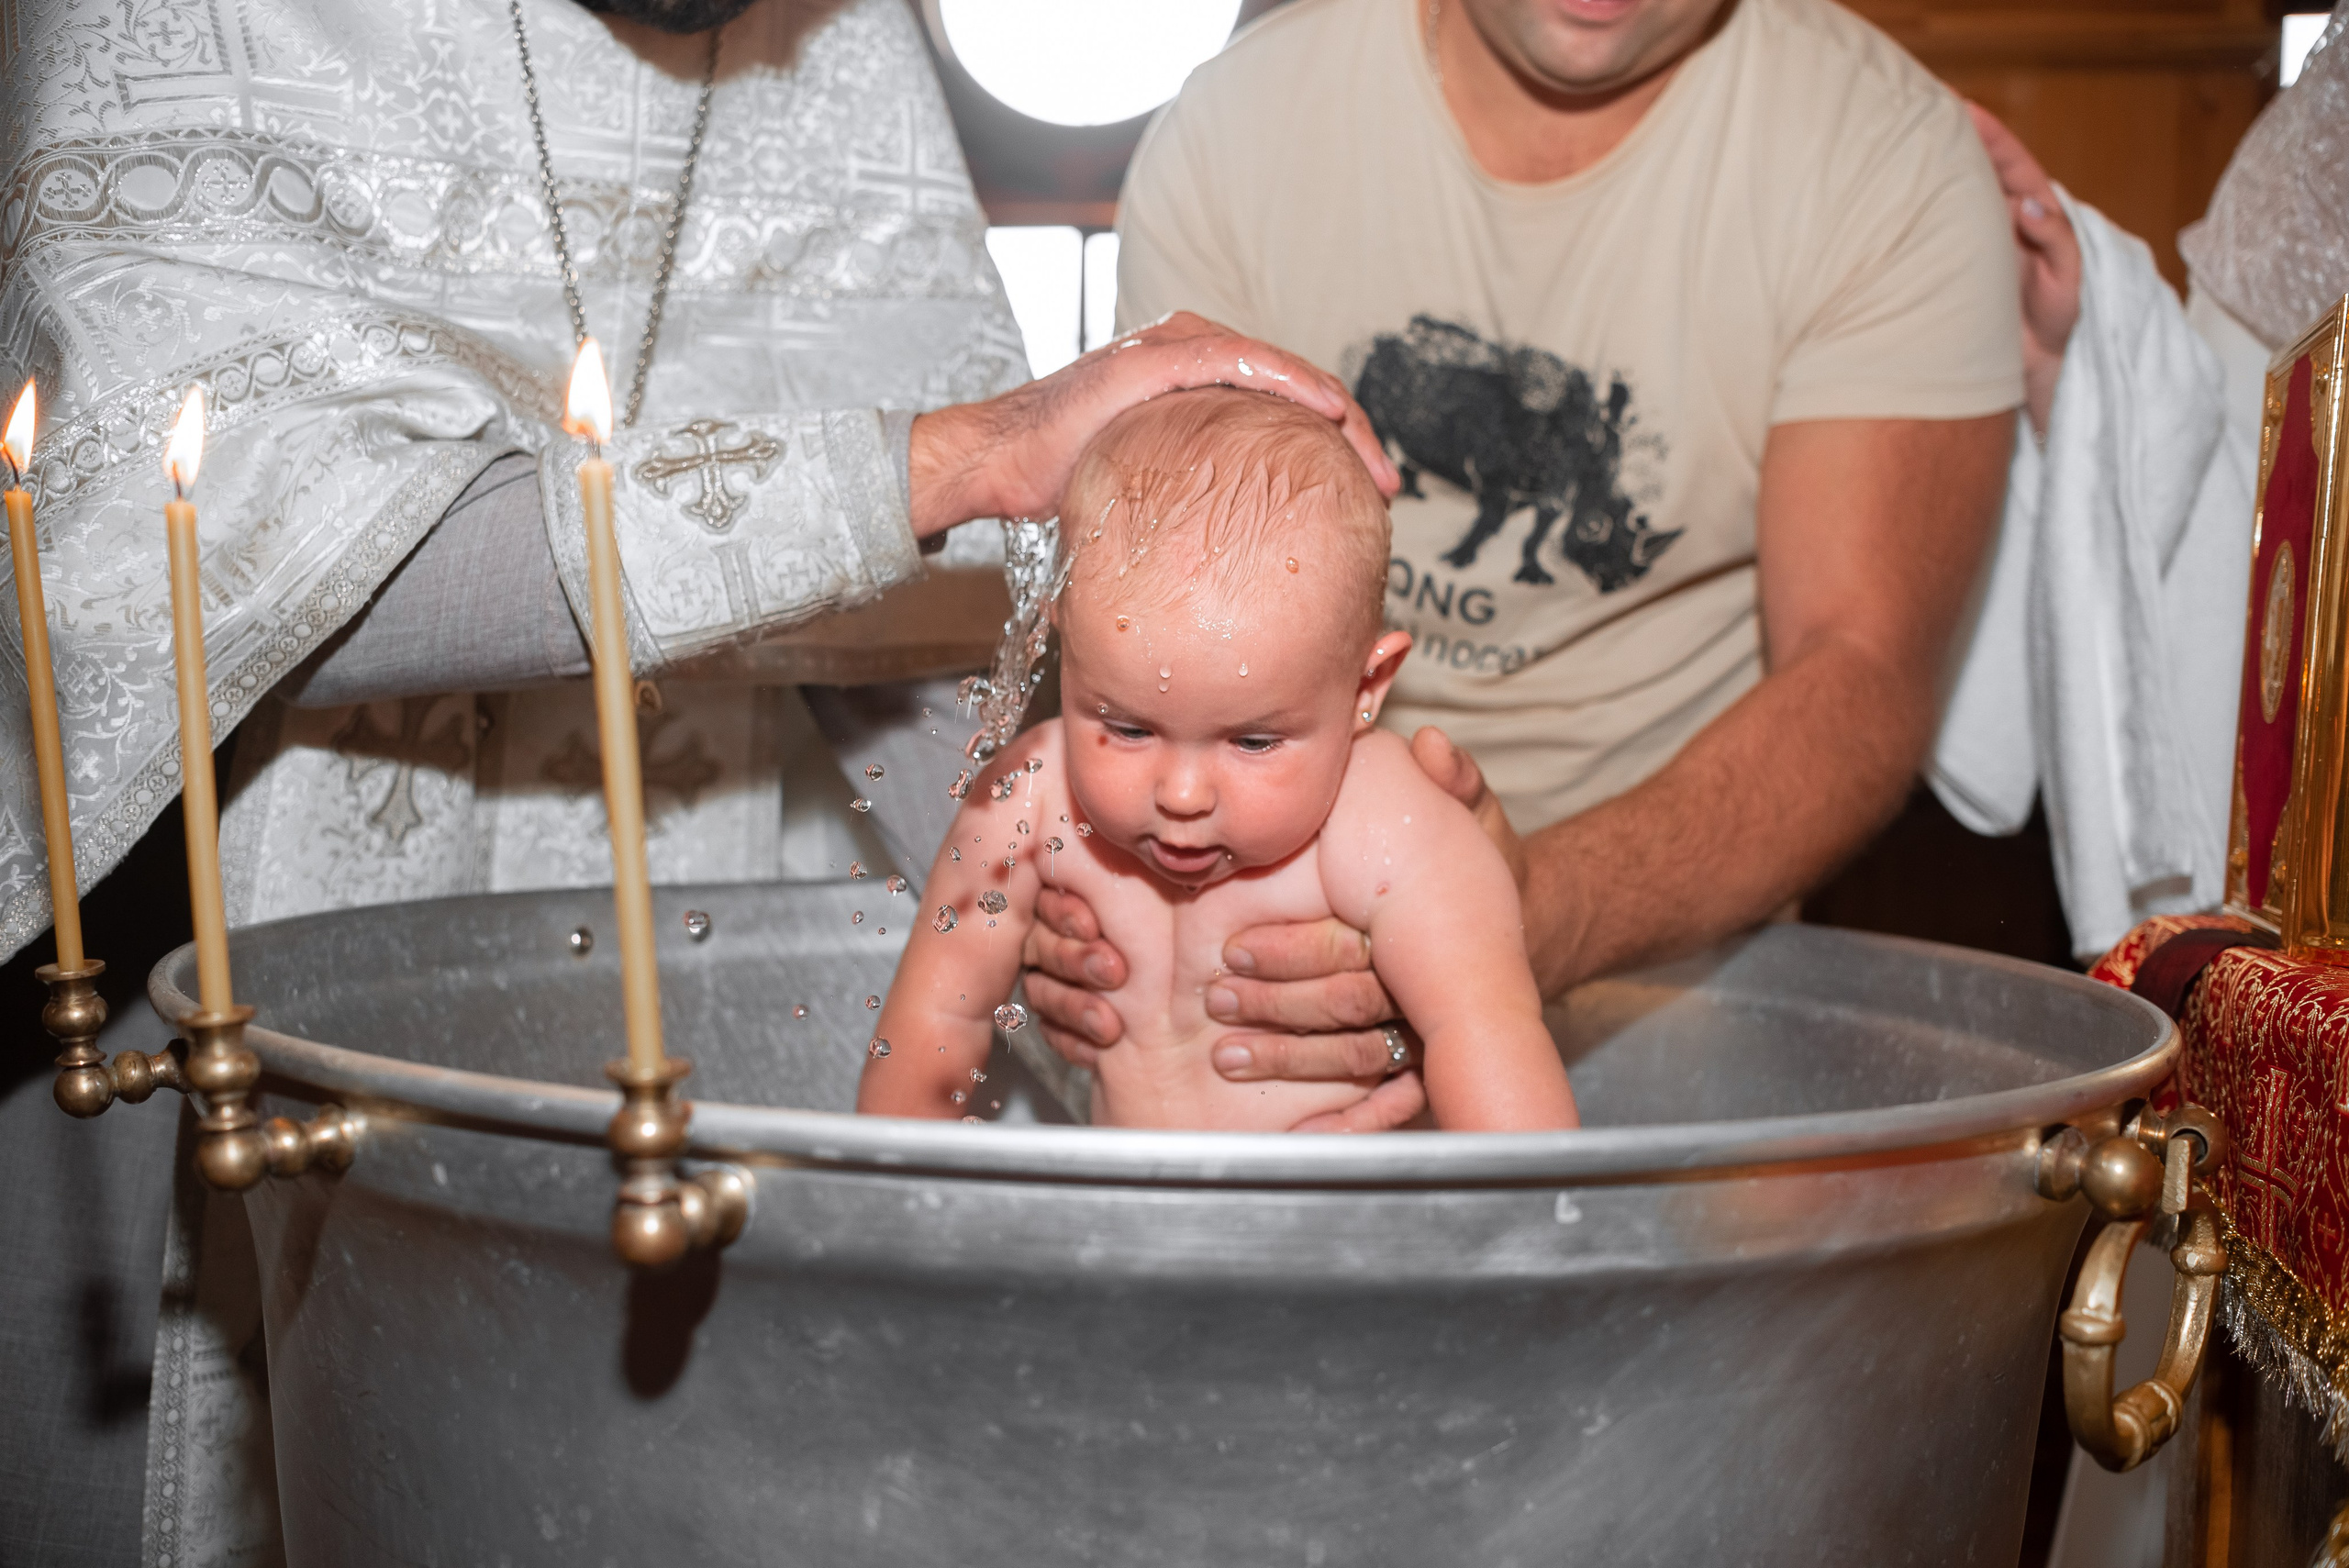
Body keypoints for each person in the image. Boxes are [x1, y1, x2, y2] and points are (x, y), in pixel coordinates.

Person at [0, 0, 1392, 1555]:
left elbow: (955, 639)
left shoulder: (824, 33)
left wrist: (1138, 904)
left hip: (728, 910)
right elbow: (191, 575)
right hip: (222, 935)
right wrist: (944, 459)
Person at [1020, 0, 2023, 1120]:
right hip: (1232, 961)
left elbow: (1860, 668)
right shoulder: (1239, 127)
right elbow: (1151, 606)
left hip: (1677, 986)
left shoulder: (1882, 157)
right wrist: (1084, 896)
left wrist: (1516, 915)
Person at [858, 389, 1575, 1131]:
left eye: (1254, 741)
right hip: (1132, 1226)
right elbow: (937, 1018)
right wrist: (891, 1216)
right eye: (1128, 727)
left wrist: (1519, 1238)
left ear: (1367, 688)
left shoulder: (1383, 817)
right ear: (1065, 652)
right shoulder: (1029, 798)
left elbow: (1486, 1031)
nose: (1183, 792)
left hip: (1342, 1232)